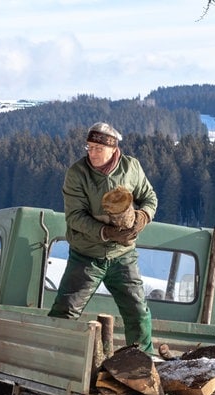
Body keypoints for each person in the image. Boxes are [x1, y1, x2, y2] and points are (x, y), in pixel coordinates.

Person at [48, 122, 158, 354]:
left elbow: (149, 197)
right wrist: (106, 232)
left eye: (98, 148)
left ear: (113, 148)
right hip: (86, 255)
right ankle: (56, 359)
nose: (92, 153)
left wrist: (142, 217)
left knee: (138, 311)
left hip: (123, 256)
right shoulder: (77, 173)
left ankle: (142, 362)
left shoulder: (132, 168)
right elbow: (75, 217)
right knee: (65, 310)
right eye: (89, 147)